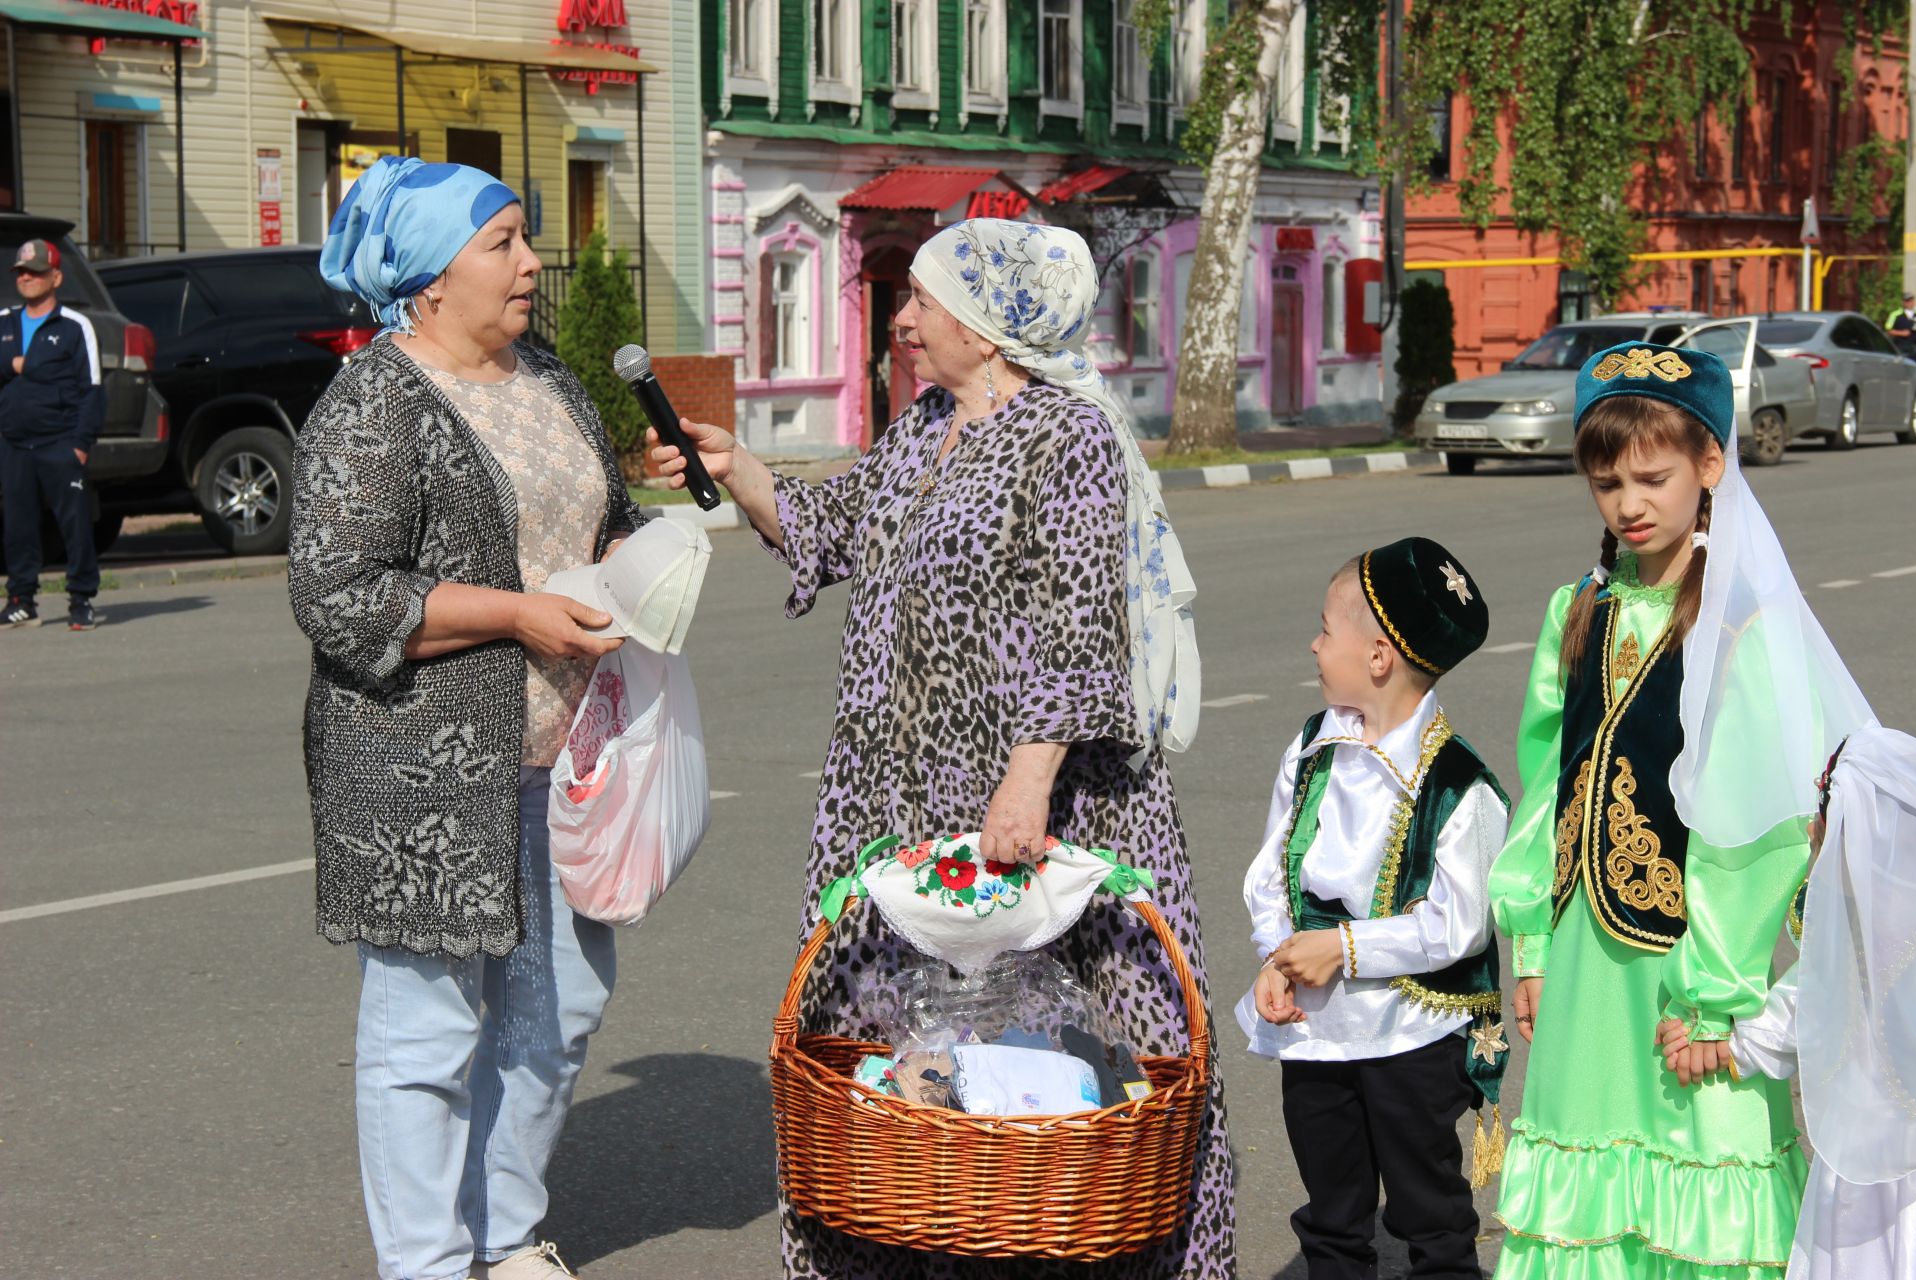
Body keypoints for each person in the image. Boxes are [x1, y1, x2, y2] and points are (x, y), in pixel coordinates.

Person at [649, 218, 1230, 1279]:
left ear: (992, 324)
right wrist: (735, 468)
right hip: (899, 796)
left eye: (923, 302)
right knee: (900, 1075)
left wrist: (1029, 778)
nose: (905, 320)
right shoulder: (927, 426)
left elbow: (1077, 623)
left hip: (1032, 803)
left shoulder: (1069, 436)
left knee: (1059, 1077)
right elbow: (831, 522)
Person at [289, 156, 644, 1280]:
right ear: (430, 279)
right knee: (427, 1035)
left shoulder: (545, 374)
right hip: (421, 768)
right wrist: (522, 615)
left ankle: (502, 1230)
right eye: (503, 243)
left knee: (560, 1014)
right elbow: (339, 593)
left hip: (570, 758)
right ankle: (430, 1261)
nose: (532, 261)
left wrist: (640, 556)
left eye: (525, 239)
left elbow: (607, 516)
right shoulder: (374, 402)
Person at [1488, 341, 1873, 1278]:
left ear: (1711, 466)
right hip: (1585, 956)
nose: (1630, 503)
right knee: (1588, 1149)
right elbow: (1550, 784)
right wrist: (1532, 944)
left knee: (1704, 1146)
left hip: (1689, 961)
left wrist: (1719, 1000)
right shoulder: (1574, 608)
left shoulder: (1745, 623)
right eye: (1607, 481)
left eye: (1653, 477)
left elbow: (1769, 827)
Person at [1240, 537, 1510, 1280]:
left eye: (1327, 630)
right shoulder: (1313, 748)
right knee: (1331, 1212)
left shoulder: (1460, 785)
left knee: (1431, 1213)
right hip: (1321, 1027)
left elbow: (1457, 924)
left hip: (1410, 1034)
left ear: (1379, 658)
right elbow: (1273, 868)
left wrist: (1344, 948)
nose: (1314, 644)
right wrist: (1280, 955)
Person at [1689, 728, 1916, 1280]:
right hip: (1868, 1166)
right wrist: (1724, 1044)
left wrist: (1724, 1043)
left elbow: (1797, 1012)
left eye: (1824, 822)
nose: (1814, 832)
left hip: (1871, 1172)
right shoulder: (1863, 930)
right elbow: (1797, 1009)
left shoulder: (1862, 938)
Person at [0, 238, 104, 630]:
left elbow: (92, 389)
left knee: (74, 524)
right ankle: (21, 600)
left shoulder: (76, 327)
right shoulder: (4, 322)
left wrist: (81, 444)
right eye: (21, 272)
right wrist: (14, 362)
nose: (26, 278)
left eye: (36, 271)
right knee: (18, 526)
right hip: (14, 443)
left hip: (61, 443)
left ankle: (81, 600)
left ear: (55, 277)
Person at [1884, 294, 1916, 358]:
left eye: (1911, 301)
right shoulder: (1895, 315)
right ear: (1903, 303)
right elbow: (1889, 330)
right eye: (1907, 301)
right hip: (1901, 347)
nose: (1909, 303)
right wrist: (1901, 333)